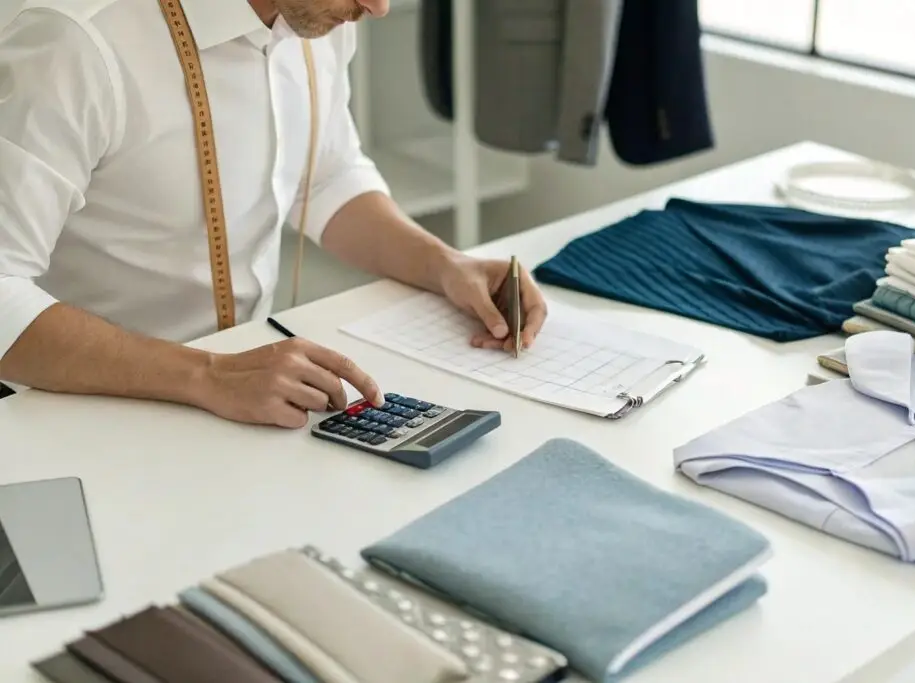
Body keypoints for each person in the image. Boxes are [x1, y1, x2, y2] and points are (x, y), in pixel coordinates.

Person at [0, 0, 548, 428]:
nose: (379, 9)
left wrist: (445, 265)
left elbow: (327, 175)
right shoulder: (76, 43)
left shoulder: (317, 19)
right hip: (73, 415)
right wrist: (208, 375)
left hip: (238, 399)